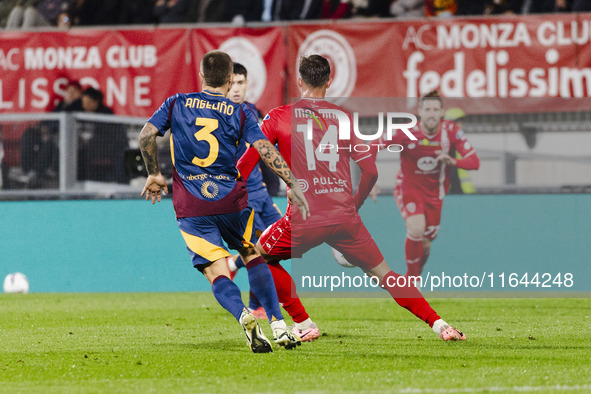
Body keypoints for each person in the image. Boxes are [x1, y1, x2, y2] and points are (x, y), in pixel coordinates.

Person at [238, 55, 466, 341]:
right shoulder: (343, 119)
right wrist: (352, 207)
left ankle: (304, 322)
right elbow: (370, 171)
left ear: (299, 81)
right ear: (329, 81)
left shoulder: (279, 116)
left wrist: (230, 194)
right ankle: (441, 325)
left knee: (257, 257)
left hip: (305, 217)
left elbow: (248, 161)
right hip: (344, 217)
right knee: (386, 274)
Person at [139, 50, 309, 353]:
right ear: (230, 80)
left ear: (202, 76)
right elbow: (263, 147)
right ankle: (279, 324)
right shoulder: (240, 111)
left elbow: (146, 135)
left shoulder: (177, 103)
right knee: (250, 253)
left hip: (193, 204)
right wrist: (291, 181)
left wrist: (154, 174)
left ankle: (243, 314)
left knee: (215, 271)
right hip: (232, 201)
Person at [225, 62, 319, 339]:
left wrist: (277, 183)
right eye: (233, 83)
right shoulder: (219, 114)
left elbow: (268, 151)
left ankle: (237, 272)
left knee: (269, 250)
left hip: (263, 195)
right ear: (225, 84)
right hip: (243, 198)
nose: (238, 88)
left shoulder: (253, 112)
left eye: (242, 83)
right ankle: (260, 307)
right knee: (260, 252)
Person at [378, 91, 480, 278]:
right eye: (427, 109)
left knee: (425, 245)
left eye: (435, 109)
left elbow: (474, 162)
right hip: (408, 187)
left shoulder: (451, 131)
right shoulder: (406, 132)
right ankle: (412, 279)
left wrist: (452, 161)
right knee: (416, 228)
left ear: (441, 112)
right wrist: (371, 178)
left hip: (435, 193)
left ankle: (415, 274)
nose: (431, 113)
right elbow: (372, 145)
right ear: (420, 112)